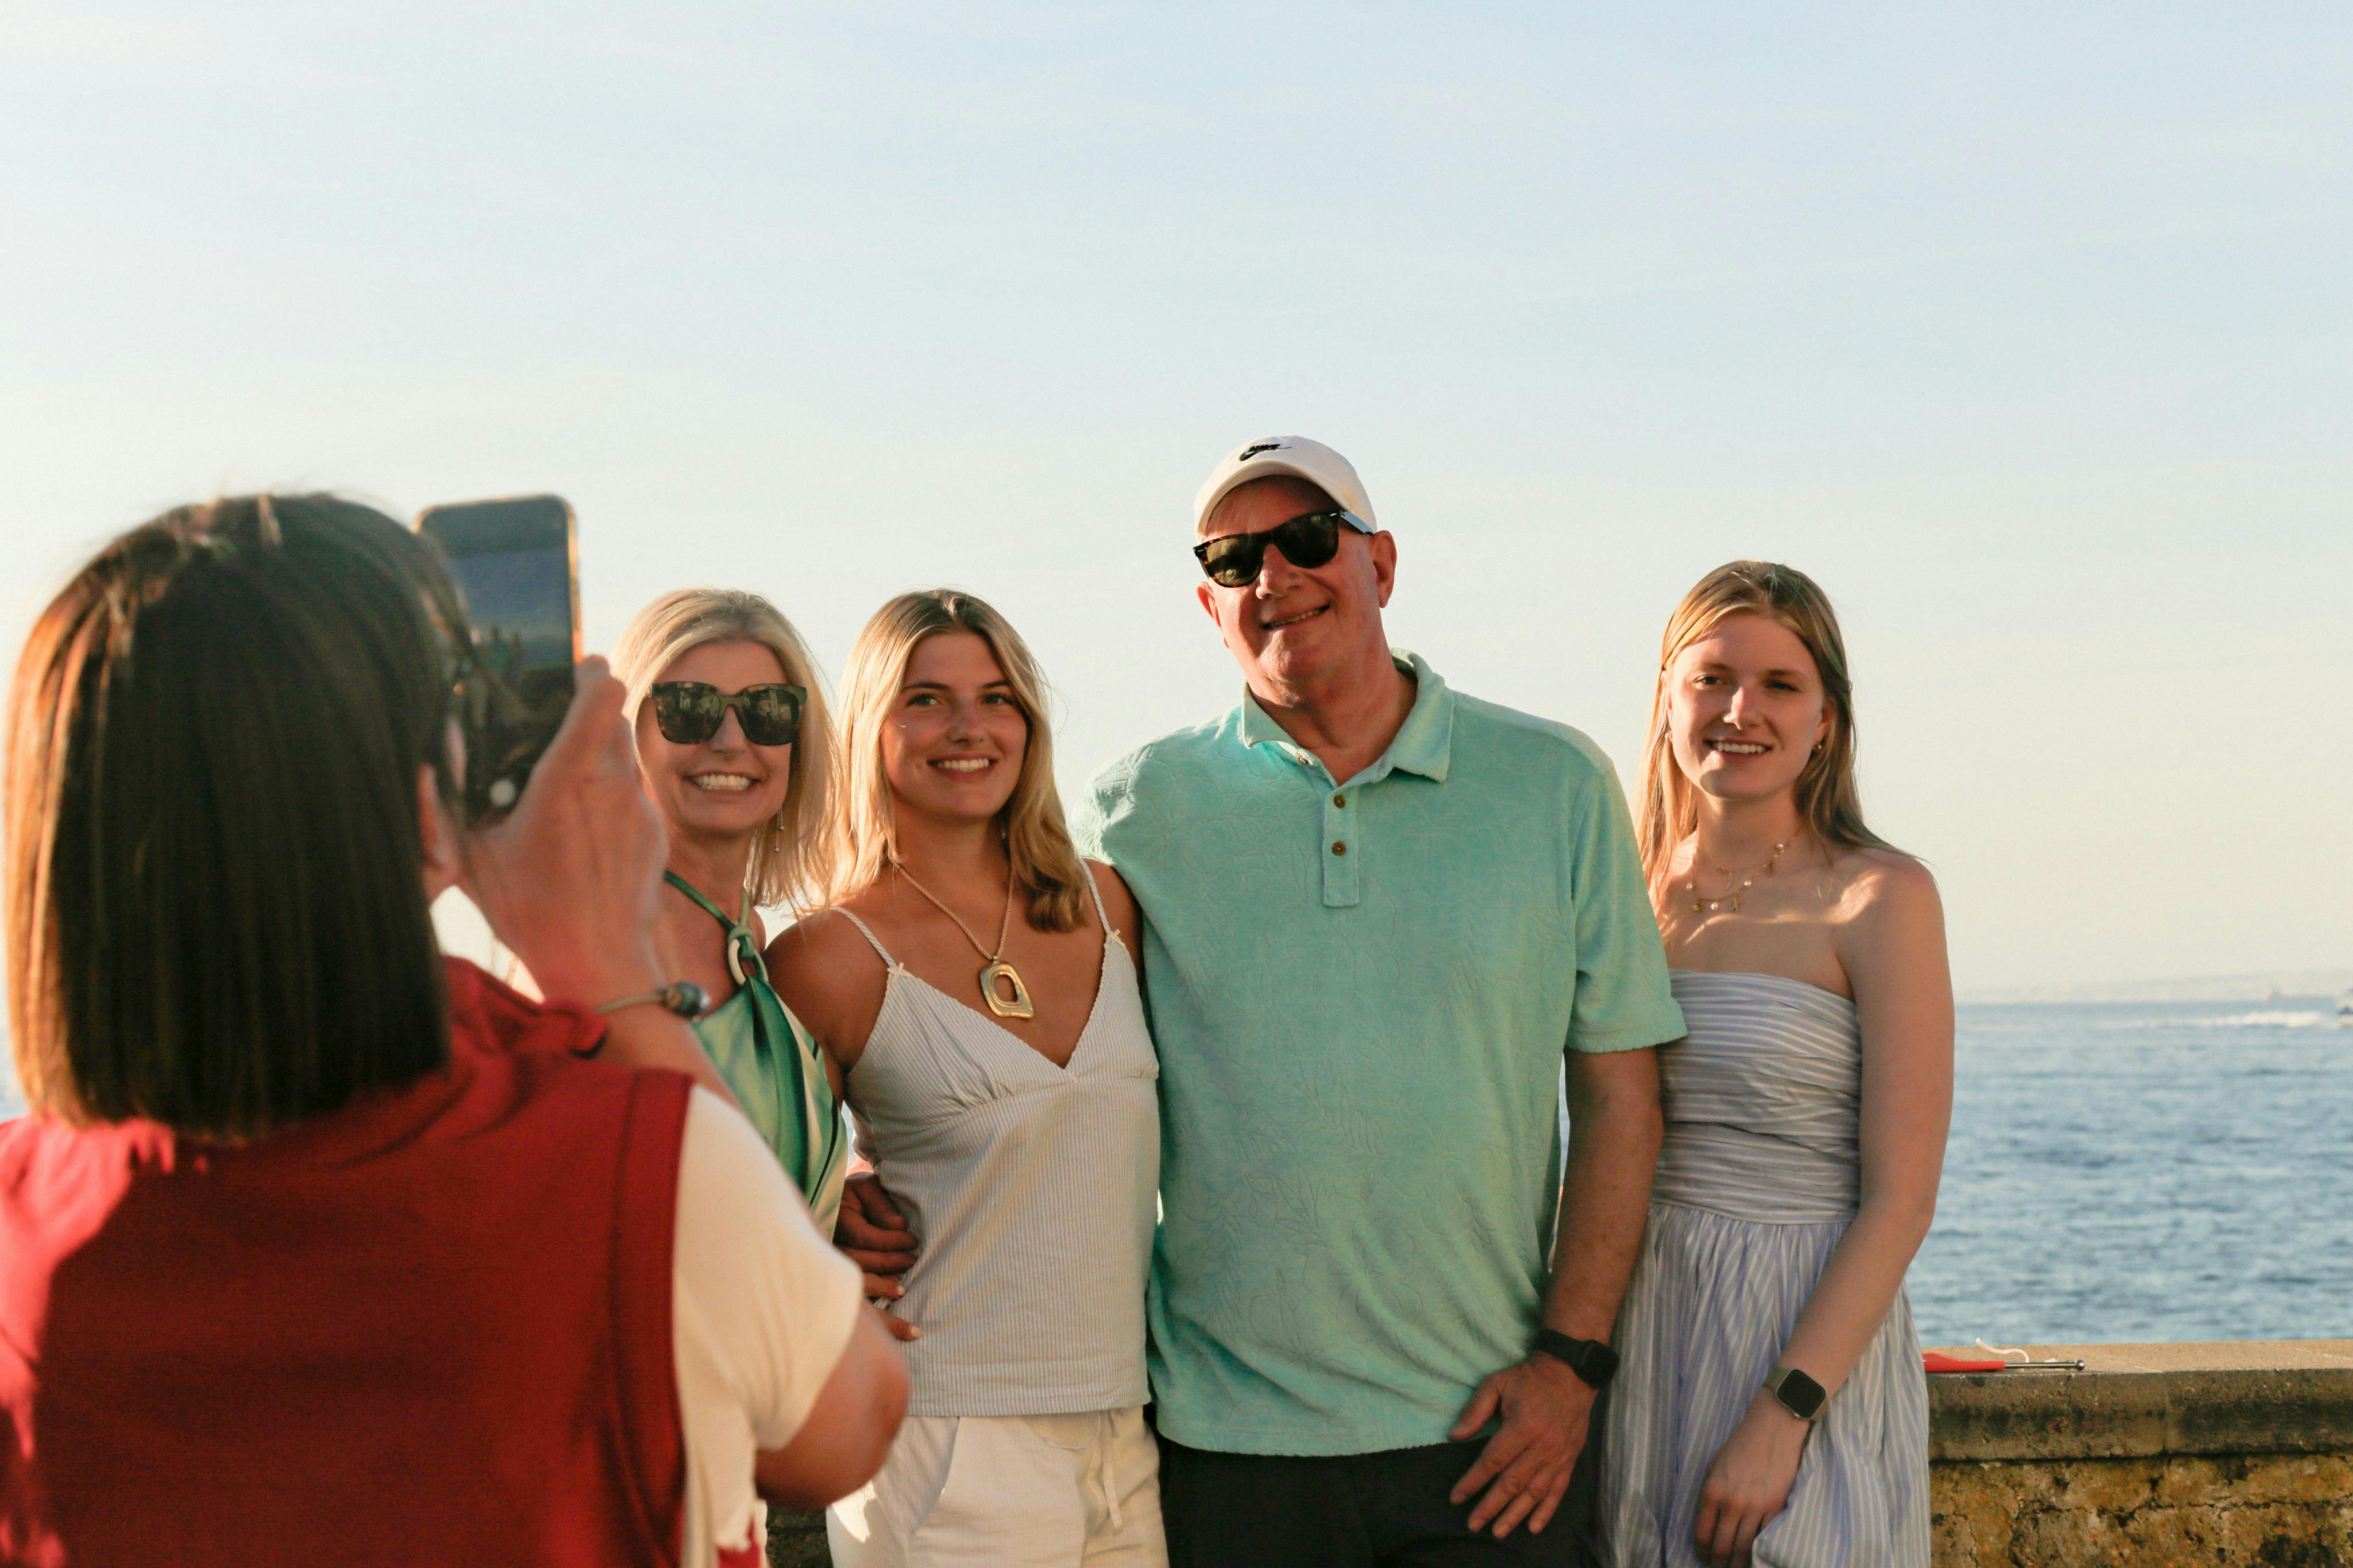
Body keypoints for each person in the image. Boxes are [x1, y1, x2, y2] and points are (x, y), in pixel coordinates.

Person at [0, 495, 907, 1567]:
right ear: (432, 810)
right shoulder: (616, 1164)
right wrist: (603, 969)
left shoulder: (23, 1216)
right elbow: (845, 1423)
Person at [1077, 437, 1687, 1566]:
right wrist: (875, 1172)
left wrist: (1570, 1367)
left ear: (1383, 566)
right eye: (1233, 557)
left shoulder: (1555, 784)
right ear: (1207, 605)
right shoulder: (1133, 810)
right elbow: (1044, 1064)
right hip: (1222, 1449)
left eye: (1310, 540)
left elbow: (1619, 1099)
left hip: (1492, 1446)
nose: (1273, 577)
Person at [771, 589, 1165, 1566]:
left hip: (1126, 1425)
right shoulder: (831, 957)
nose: (969, 728)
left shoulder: (1108, 904)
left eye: (998, 699)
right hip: (942, 1440)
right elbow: (756, 1193)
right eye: (926, 700)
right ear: (870, 724)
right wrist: (833, 1211)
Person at [1595, 561, 1950, 1568]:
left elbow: (1902, 1201)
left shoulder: (1881, 899)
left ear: (1827, 719)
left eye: (1780, 685)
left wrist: (1783, 1414)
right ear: (1666, 696)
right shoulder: (1618, 893)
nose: (1739, 710)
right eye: (1710, 678)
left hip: (1803, 1341)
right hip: (1638, 1332)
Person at [613, 588, 849, 1232]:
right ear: (626, 731)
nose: (728, 740)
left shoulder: (750, 936)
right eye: (688, 709)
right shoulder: (607, 934)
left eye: (766, 712)